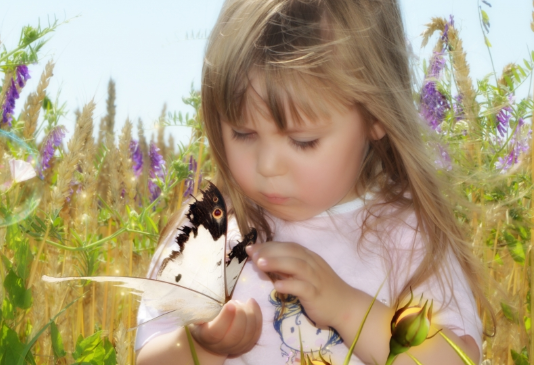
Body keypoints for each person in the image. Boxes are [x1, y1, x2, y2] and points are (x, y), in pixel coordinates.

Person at [135, 0, 493, 364]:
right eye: (243, 133)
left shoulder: (407, 233)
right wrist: (204, 346)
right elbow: (149, 357)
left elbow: (456, 359)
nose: (268, 165)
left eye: (303, 141)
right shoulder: (210, 230)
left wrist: (348, 310)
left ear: (375, 115)